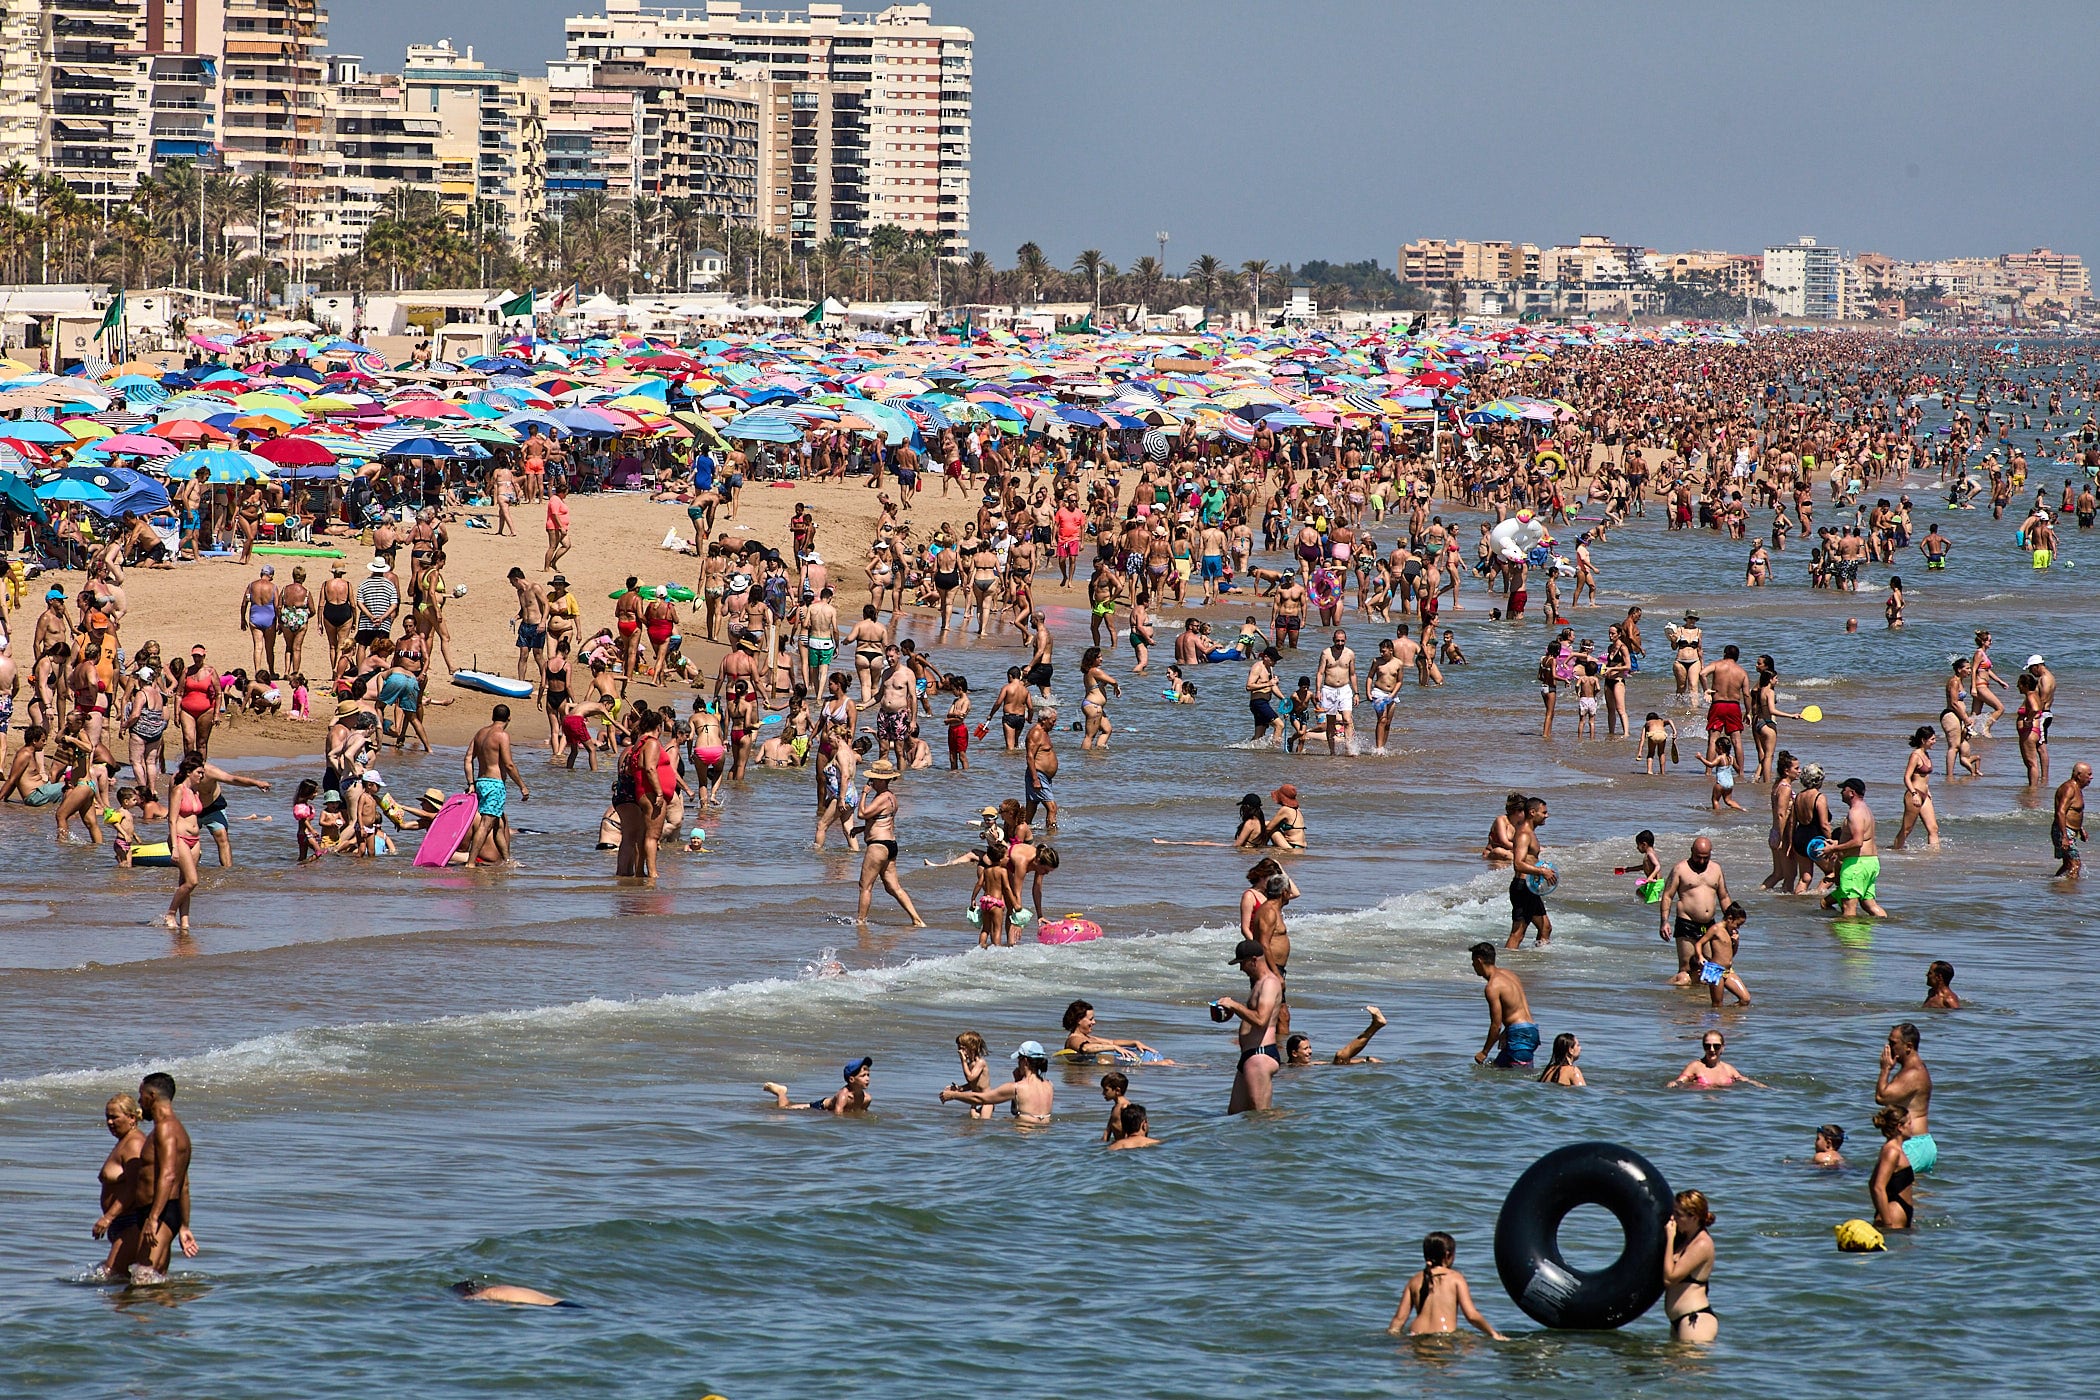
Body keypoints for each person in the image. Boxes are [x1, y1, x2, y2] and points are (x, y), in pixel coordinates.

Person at [121, 1071, 197, 1279]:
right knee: (156, 1278)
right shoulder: (176, 1130)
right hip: (163, 1212)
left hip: (158, 1213)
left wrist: (153, 1219)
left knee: (143, 1279)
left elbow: (169, 1176)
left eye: (141, 1095)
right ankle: (167, 1309)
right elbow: (184, 1184)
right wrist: (184, 1226)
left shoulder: (166, 1129)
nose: (139, 1101)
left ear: (152, 1096)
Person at [1386, 1232, 1506, 1340]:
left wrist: (1392, 1336)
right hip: (1444, 1337)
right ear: (1448, 1255)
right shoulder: (1456, 1279)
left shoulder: (1414, 1280)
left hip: (1416, 1334)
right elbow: (1472, 1315)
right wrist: (1493, 1334)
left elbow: (1399, 1319)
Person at [1216, 937, 1283, 1114]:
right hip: (1248, 1056)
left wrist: (1235, 1005)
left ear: (1254, 960)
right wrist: (1233, 1012)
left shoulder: (1269, 983)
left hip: (1260, 1056)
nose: (1241, 969)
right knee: (1234, 1114)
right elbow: (1254, 1015)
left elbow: (1261, 1020)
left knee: (1260, 1116)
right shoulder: (1258, 983)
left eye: (1242, 963)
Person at [854, 759, 924, 927]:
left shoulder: (882, 797)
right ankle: (917, 919)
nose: (870, 782)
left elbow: (862, 813)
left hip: (878, 846)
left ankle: (861, 922)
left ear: (880, 780)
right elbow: (883, 820)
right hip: (890, 844)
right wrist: (862, 829)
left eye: (872, 780)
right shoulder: (892, 797)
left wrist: (864, 793)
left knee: (865, 886)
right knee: (893, 887)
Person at [90, 1093, 148, 1275]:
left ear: (132, 1118)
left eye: (114, 1117)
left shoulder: (134, 1144)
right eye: (107, 1117)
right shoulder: (124, 1142)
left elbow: (134, 1187)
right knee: (122, 1283)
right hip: (121, 1223)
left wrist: (108, 1217)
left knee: (110, 1276)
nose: (109, 1122)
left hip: (131, 1224)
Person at [464, 704, 530, 865]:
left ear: (493, 716)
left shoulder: (480, 733)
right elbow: (509, 765)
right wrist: (522, 786)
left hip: (481, 782)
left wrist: (471, 783)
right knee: (486, 825)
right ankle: (471, 862)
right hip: (495, 785)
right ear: (509, 718)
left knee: (498, 824)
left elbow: (467, 758)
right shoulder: (502, 735)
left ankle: (507, 860)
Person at [1658, 836, 1728, 985]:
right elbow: (1667, 896)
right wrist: (1664, 922)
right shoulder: (1680, 869)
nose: (1701, 861)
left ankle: (1701, 1002)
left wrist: (1732, 925)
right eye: (1698, 857)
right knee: (1686, 970)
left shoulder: (1716, 869)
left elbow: (1724, 897)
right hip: (1687, 923)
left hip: (1710, 925)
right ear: (1691, 852)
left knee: (1709, 970)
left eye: (1705, 858)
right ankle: (1669, 992)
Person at [1874, 1021, 1935, 1181]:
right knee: (1914, 1199)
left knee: (1892, 1194)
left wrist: (1885, 1069)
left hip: (1911, 1144)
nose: (1887, 1048)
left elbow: (1881, 1097)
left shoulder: (1913, 1073)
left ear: (1908, 1046)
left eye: (1892, 1043)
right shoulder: (1917, 1069)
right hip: (1922, 1143)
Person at [939, 1042, 1054, 1123]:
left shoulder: (1016, 1088)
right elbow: (1020, 1110)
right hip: (1043, 1131)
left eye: (1019, 1060)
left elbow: (982, 1099)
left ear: (1024, 1061)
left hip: (1024, 1134)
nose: (1018, 1064)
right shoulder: (1049, 1085)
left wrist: (953, 1095)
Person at [1822, 777, 1887, 917]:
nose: (1841, 792)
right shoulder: (1866, 810)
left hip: (1856, 864)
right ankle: (1884, 929)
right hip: (1870, 862)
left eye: (1843, 790)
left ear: (1851, 792)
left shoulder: (1855, 813)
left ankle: (1851, 938)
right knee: (1869, 904)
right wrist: (1837, 844)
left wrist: (1833, 849)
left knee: (1848, 907)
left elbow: (1857, 841)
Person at [1662, 1189, 1719, 1343]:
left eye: (1679, 1215)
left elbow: (1669, 1278)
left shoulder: (1701, 1244)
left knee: (1686, 1366)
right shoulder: (1687, 1239)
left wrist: (1670, 1238)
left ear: (1693, 1217)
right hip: (1680, 1322)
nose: (1673, 1218)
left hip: (1695, 1320)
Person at [1470, 942, 1536, 1069]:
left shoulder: (1492, 986)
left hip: (1519, 1036)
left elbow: (1496, 1025)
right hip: (1530, 1030)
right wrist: (1508, 1032)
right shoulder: (1510, 975)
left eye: (1473, 962)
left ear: (1479, 961)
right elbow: (1518, 1008)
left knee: (1517, 1079)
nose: (1472, 965)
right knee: (1498, 1068)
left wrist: (1484, 1052)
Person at [1504, 796, 1552, 949]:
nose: (1547, 816)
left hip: (1530, 887)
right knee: (1517, 934)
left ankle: (1537, 963)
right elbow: (1518, 864)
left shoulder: (1530, 832)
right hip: (1522, 887)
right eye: (1543, 812)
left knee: (1545, 928)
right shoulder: (1524, 834)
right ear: (1532, 812)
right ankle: (1507, 965)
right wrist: (1542, 871)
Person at [763, 1057, 874, 1113]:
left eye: (868, 1075)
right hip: (818, 1107)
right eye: (863, 1075)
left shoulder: (866, 1099)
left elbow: (860, 1112)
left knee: (790, 1106)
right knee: (784, 1108)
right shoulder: (844, 1095)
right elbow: (838, 1115)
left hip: (825, 1109)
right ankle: (781, 1092)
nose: (867, 1079)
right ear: (851, 1079)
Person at [1283, 1007, 1387, 1066]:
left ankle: (1375, 1026)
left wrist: (1366, 1059)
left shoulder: (1310, 1065)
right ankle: (1375, 1026)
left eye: (1310, 1048)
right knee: (1340, 1057)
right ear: (1294, 1053)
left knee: (1340, 1058)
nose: (1310, 1052)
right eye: (1306, 1049)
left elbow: (1332, 1064)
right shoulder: (1286, 1068)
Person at [1868, 1105, 1916, 1229]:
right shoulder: (1892, 1151)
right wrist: (1887, 1222)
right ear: (1900, 1127)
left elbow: (1872, 1183)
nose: (1912, 1127)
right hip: (1894, 1212)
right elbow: (1877, 1187)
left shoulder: (1895, 1150)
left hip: (1899, 1210)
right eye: (1910, 1123)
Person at [1670, 1031, 1767, 1088]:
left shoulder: (1728, 1069)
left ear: (1722, 1047)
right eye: (1707, 1046)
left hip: (1723, 1106)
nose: (1712, 1049)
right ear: (1703, 1047)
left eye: (1716, 1046)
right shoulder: (1695, 1066)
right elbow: (1680, 1081)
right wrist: (1674, 1084)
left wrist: (1765, 1088)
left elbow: (1745, 1080)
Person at [2052, 762, 2090, 878]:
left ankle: (2056, 884)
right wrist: (2064, 836)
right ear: (2079, 775)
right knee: (2075, 864)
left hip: (2070, 831)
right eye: (2088, 774)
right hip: (2064, 831)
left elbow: (2073, 811)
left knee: (2068, 864)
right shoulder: (2069, 788)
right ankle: (2070, 890)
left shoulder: (2077, 788)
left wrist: (2080, 829)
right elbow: (2061, 812)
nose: (2091, 777)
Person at [452, 1281, 576, 1308]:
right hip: (565, 1304)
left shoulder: (491, 1293)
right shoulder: (504, 1288)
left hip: (559, 1308)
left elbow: (467, 1300)